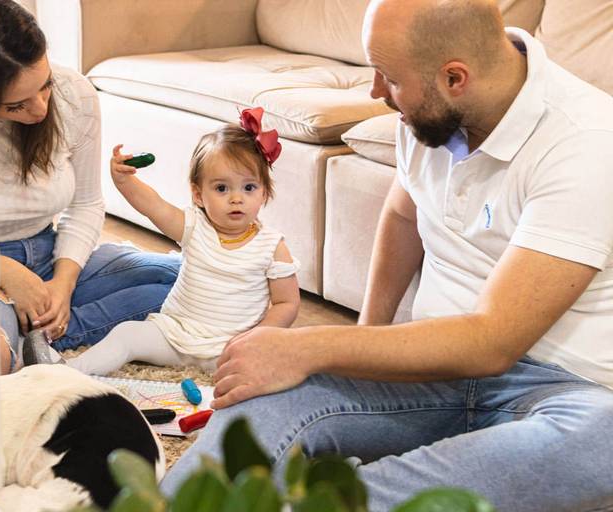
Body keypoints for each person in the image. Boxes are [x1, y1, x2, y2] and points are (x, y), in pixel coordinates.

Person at [162, 1, 613, 510]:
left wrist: (313, 346)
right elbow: (403, 217)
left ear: (455, 79)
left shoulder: (587, 143)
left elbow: (492, 343)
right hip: (432, 364)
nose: (376, 92)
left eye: (389, 77)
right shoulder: (429, 117)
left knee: (601, 443)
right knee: (257, 392)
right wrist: (367, 342)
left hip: (561, 391)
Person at [0, 0, 180, 374]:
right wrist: (6, 273)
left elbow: (88, 202)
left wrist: (62, 283)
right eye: (16, 105)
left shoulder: (75, 93)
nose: (41, 109)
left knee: (203, 280)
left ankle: (41, 334)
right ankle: (22, 330)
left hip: (50, 253)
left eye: (44, 86)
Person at [67, 108, 300, 375]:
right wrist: (123, 181)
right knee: (127, 333)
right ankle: (70, 372)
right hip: (173, 334)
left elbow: (286, 303)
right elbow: (153, 206)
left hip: (227, 348)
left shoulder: (272, 246)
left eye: (249, 188)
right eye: (222, 188)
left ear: (264, 193)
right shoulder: (193, 227)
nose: (237, 199)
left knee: (269, 369)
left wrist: (256, 339)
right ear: (198, 195)